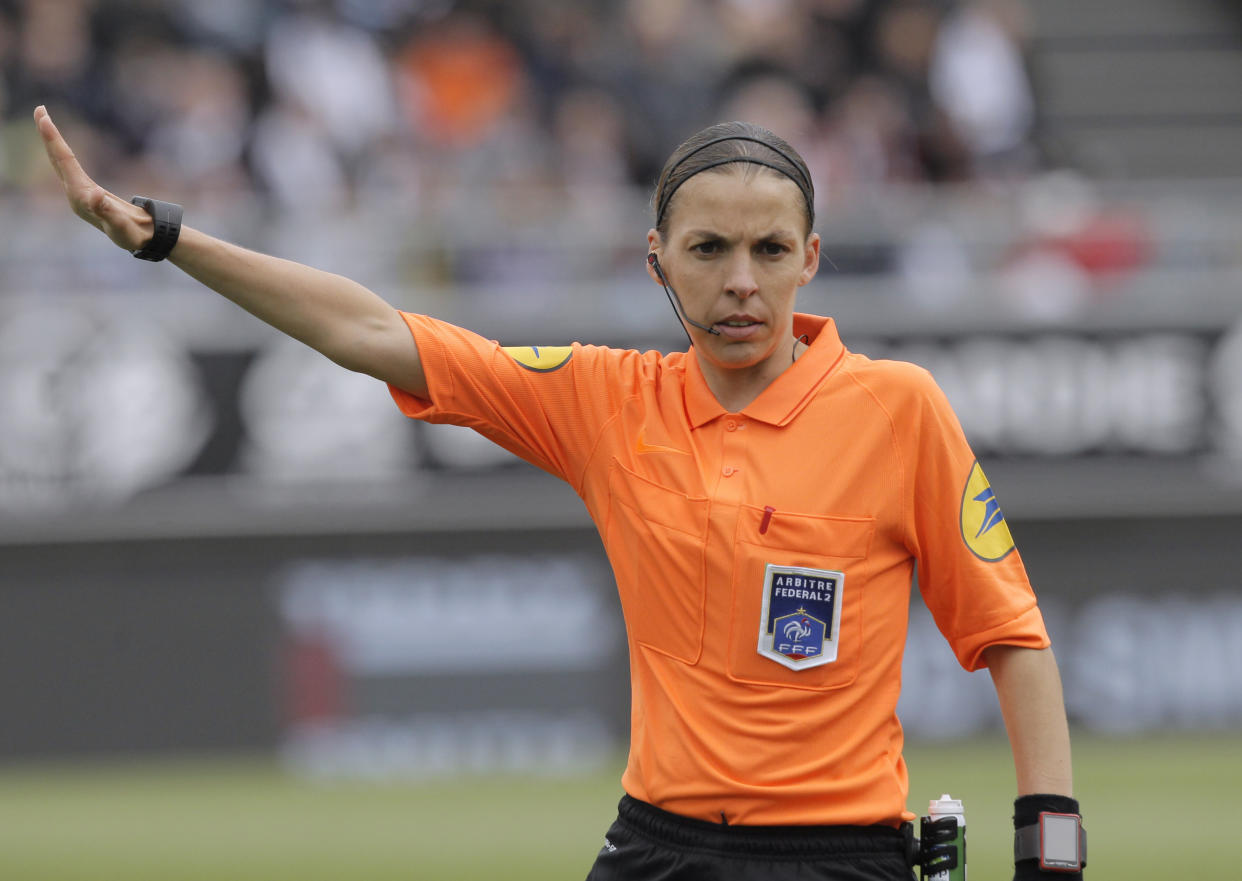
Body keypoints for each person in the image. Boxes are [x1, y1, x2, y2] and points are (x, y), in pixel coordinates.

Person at [33, 105, 1084, 881]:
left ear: (812, 257)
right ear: (656, 261)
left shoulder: (898, 407)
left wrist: (1053, 846)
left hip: (842, 855)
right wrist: (169, 240)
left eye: (770, 250)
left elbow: (1010, 632)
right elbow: (369, 331)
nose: (742, 282)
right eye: (708, 249)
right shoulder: (604, 397)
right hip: (658, 846)